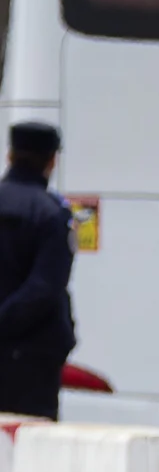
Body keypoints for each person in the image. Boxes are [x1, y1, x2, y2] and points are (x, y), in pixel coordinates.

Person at [0, 123, 75, 418]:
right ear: (51, 160)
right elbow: (44, 288)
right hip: (31, 357)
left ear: (10, 155)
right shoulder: (50, 213)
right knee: (30, 445)